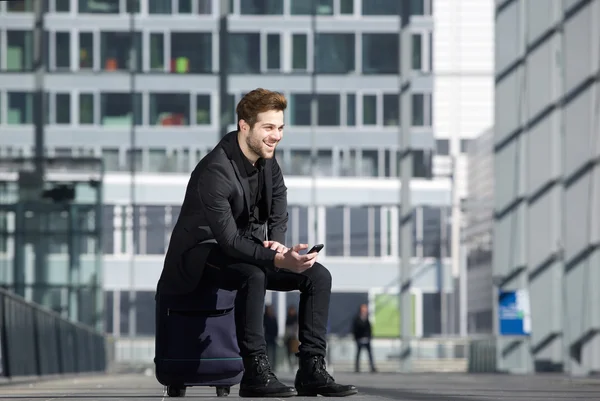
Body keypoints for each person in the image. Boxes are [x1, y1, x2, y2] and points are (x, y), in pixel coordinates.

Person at [157, 88, 358, 398]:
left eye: (280, 128)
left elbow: (279, 206)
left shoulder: (268, 163)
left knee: (318, 276)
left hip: (244, 250)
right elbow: (228, 241)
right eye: (268, 127)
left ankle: (311, 369)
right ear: (244, 126)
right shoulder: (215, 171)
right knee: (253, 274)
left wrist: (277, 246)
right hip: (200, 256)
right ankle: (255, 373)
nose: (276, 136)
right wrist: (277, 260)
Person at [351, 304, 377, 373]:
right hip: (359, 339)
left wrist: (369, 337)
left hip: (366, 339)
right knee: (358, 354)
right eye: (363, 309)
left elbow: (369, 329)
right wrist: (356, 338)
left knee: (370, 354)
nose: (365, 310)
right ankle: (357, 368)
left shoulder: (367, 318)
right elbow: (355, 329)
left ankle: (372, 367)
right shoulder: (357, 318)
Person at [263, 304, 279, 371]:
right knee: (267, 353)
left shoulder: (273, 317)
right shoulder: (265, 317)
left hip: (272, 338)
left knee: (273, 353)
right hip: (267, 337)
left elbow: (276, 328)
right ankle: (268, 366)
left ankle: (273, 366)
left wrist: (275, 335)